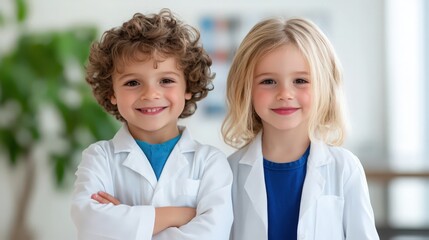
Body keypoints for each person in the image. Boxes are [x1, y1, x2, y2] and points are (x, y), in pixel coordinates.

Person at [71, 9, 233, 240]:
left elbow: (212, 234)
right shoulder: (100, 157)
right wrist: (180, 215)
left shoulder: (209, 162)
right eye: (133, 82)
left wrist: (127, 222)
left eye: (166, 80)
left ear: (187, 87)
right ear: (112, 92)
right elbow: (91, 224)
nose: (150, 94)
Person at [222, 17, 379, 240]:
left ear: (324, 86)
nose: (285, 94)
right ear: (244, 88)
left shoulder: (345, 169)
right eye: (268, 81)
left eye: (300, 81)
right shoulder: (228, 172)